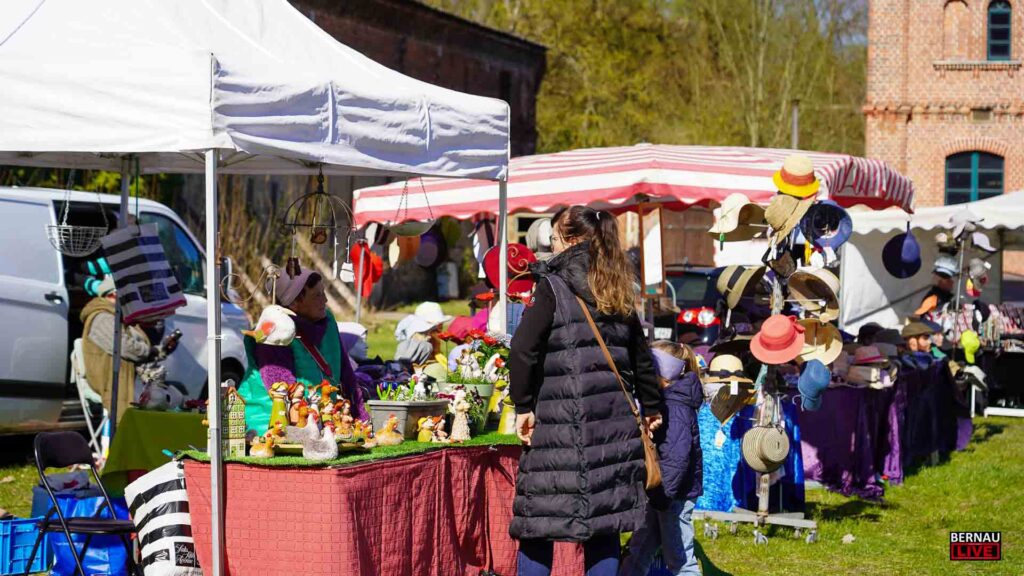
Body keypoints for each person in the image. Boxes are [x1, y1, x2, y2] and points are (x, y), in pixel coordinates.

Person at [508, 205, 662, 576]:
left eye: (554, 238)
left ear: (571, 239)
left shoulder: (552, 287)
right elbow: (642, 356)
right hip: (614, 425)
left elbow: (523, 349)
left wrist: (523, 406)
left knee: (538, 525)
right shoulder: (617, 285)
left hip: (557, 425)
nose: (552, 246)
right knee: (604, 527)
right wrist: (652, 406)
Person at [238, 267, 367, 432]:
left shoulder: (327, 321)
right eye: (317, 296)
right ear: (294, 302)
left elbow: (346, 375)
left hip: (319, 421)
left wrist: (361, 417)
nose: (325, 300)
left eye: (323, 292)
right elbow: (284, 392)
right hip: (267, 423)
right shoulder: (275, 332)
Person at [620, 341, 703, 576]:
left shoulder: (675, 406)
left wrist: (664, 495)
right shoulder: (668, 401)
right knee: (639, 550)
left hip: (673, 495)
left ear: (661, 373)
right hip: (660, 492)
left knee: (680, 560)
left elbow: (677, 457)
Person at [80, 275, 178, 424]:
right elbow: (125, 348)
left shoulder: (118, 317)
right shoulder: (102, 317)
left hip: (132, 375)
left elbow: (137, 349)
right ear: (114, 295)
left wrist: (162, 350)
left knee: (171, 399)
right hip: (111, 379)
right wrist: (151, 351)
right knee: (158, 402)